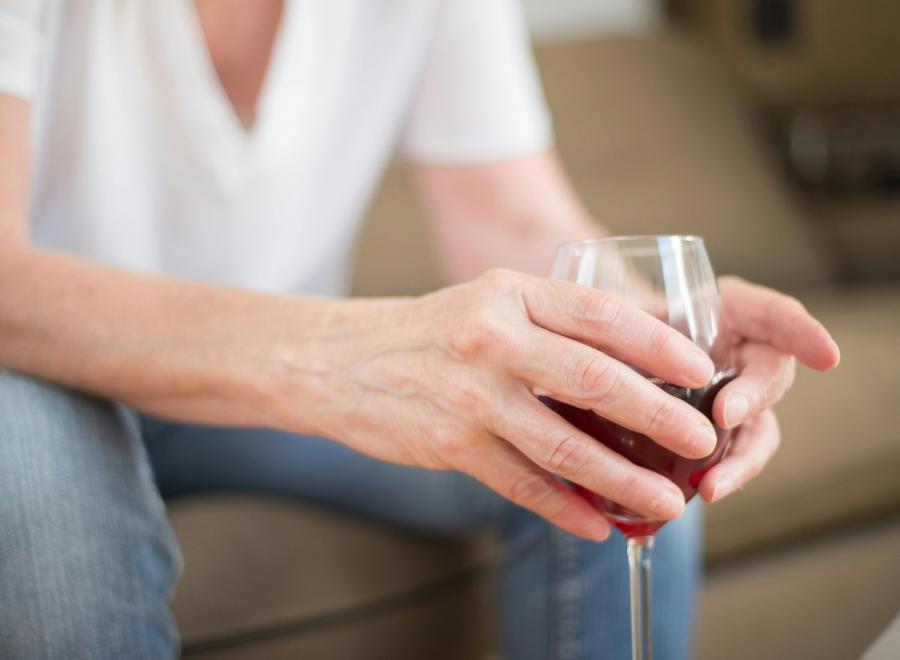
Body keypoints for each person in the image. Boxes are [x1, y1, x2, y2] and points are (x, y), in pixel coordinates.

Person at [0, 1, 840, 659]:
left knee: (628, 446)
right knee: (51, 532)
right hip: (38, 373)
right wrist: (345, 357)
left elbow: (511, 218)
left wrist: (655, 341)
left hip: (255, 408)